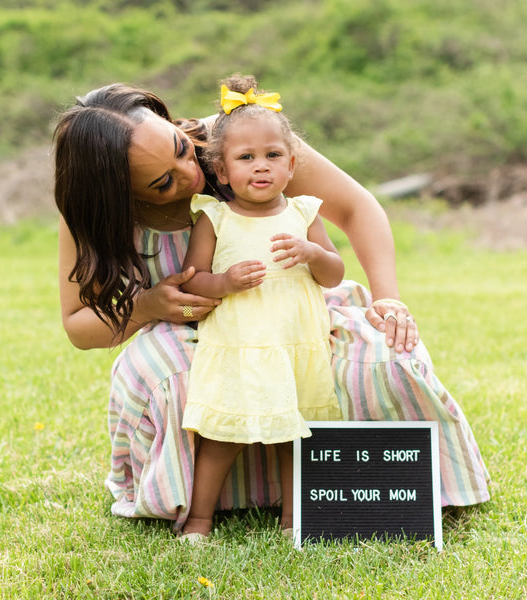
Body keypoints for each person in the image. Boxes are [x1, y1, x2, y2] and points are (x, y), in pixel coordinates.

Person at [53, 76, 490, 533]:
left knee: (381, 358)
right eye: (163, 182)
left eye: (182, 149)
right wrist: (147, 305)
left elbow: (358, 208)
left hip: (294, 310)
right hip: (198, 329)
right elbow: (78, 326)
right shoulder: (93, 213)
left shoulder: (244, 139)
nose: (191, 174)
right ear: (117, 193)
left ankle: (389, 488)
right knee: (178, 383)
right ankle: (198, 505)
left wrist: (388, 299)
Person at [178, 76, 344, 541]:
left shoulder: (304, 213)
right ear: (223, 170)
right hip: (237, 342)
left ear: (292, 165)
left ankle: (296, 520)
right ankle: (199, 520)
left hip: (295, 343)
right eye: (246, 158)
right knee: (220, 437)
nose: (261, 167)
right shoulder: (215, 217)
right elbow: (196, 281)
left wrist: (313, 254)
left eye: (273, 156)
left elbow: (334, 273)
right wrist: (226, 281)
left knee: (297, 436)